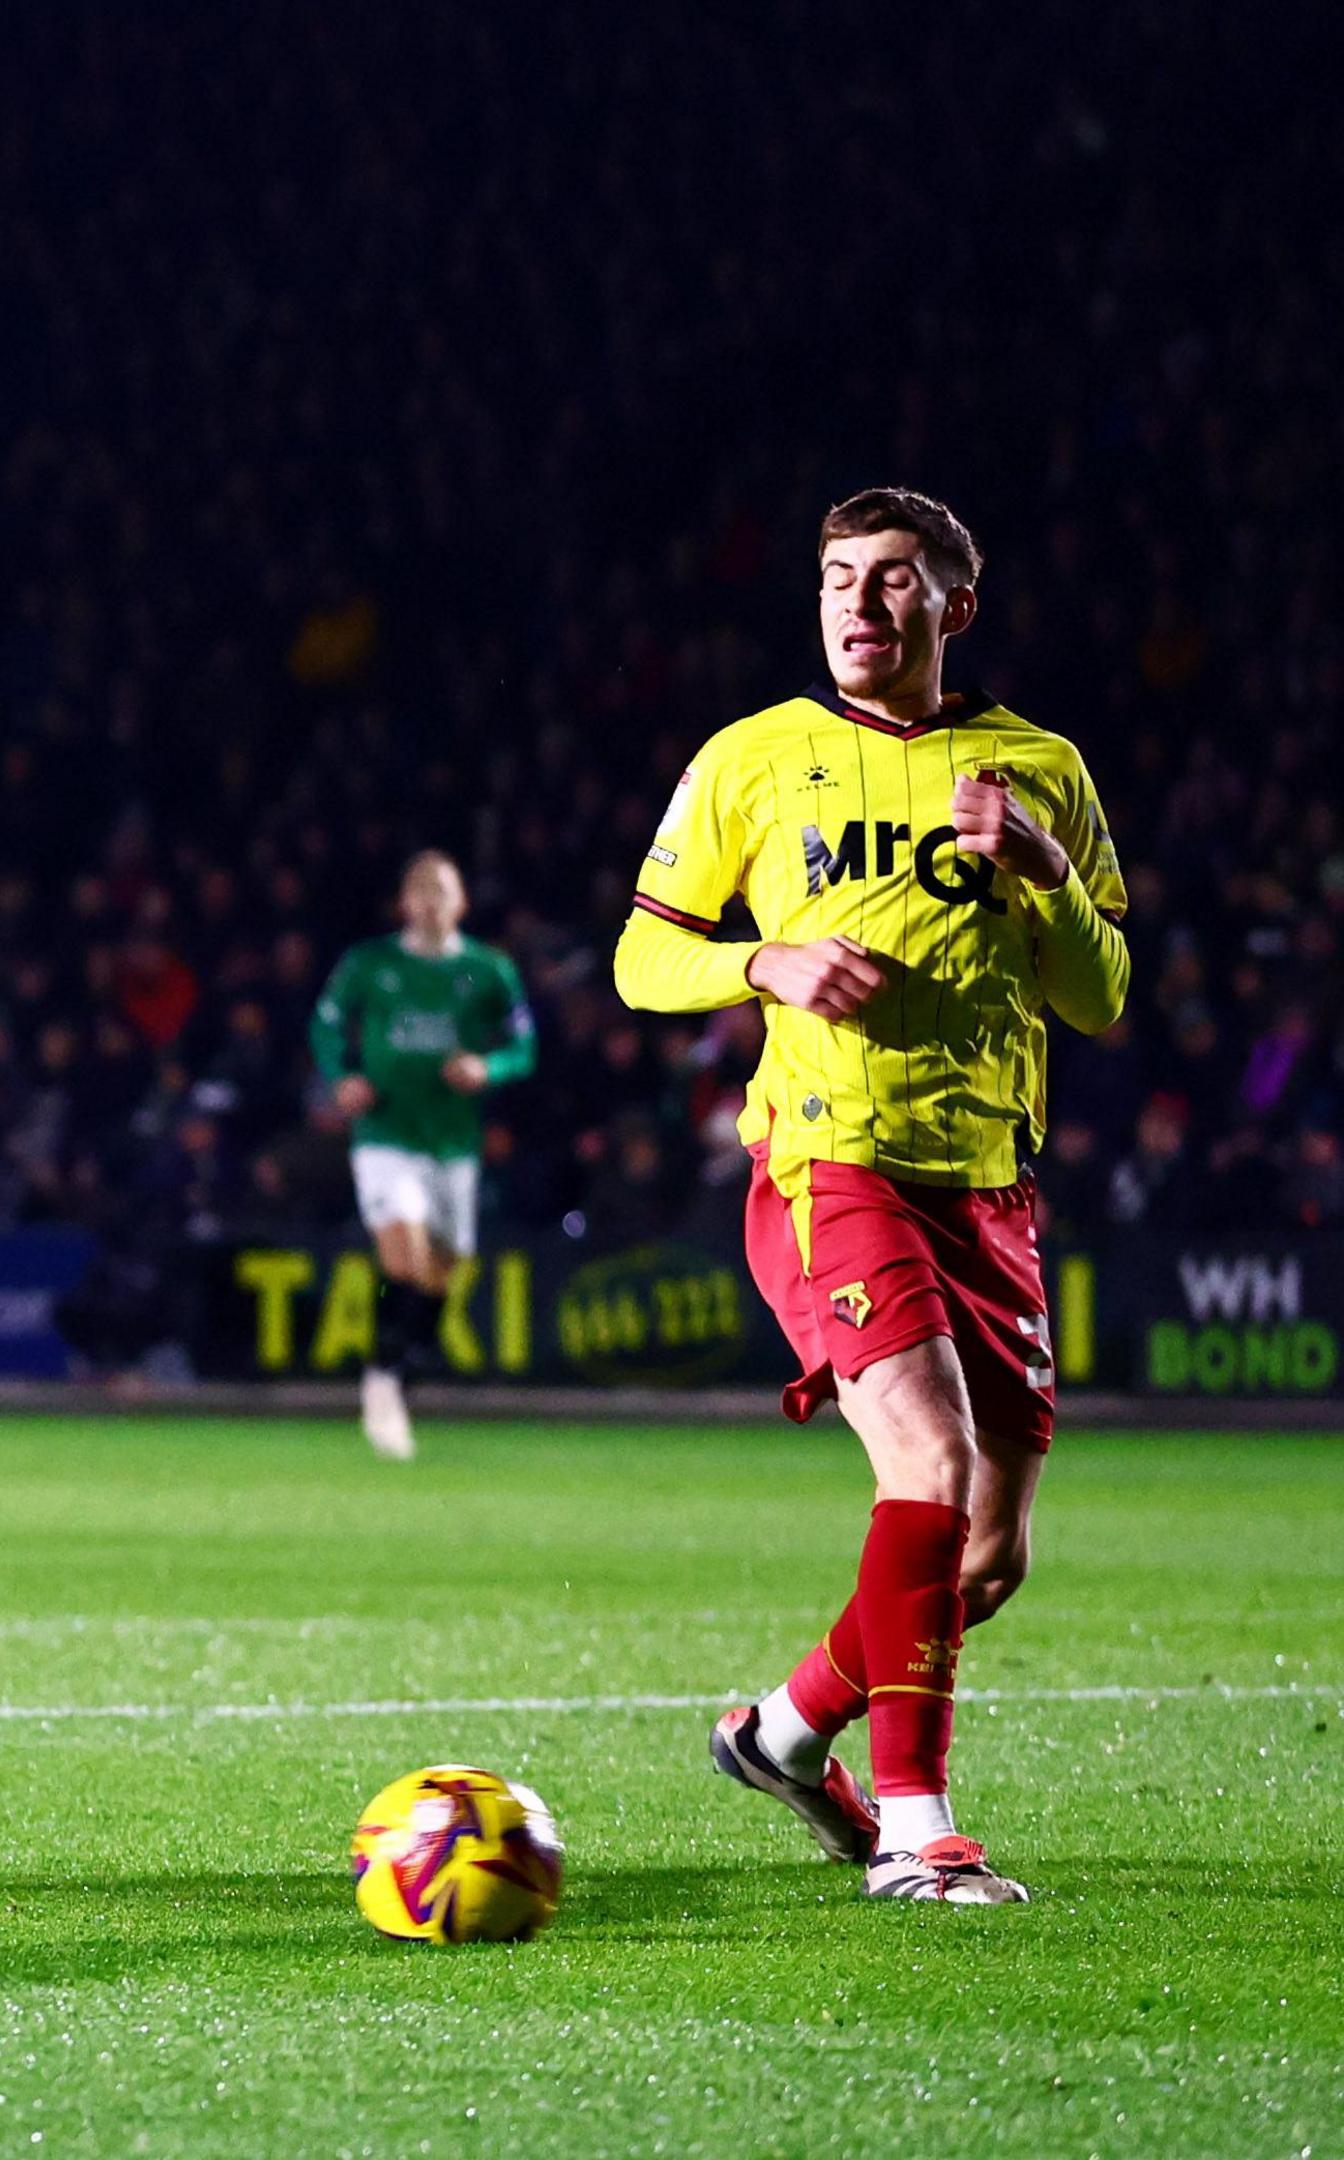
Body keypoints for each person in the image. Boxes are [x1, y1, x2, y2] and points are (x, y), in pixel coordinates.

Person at [616, 487, 1128, 1905]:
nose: (858, 603)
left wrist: (1038, 871)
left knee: (983, 1556)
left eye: (893, 580)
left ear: (953, 606)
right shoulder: (756, 758)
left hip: (989, 1189)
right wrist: (758, 963)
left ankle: (783, 1735)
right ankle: (915, 1826)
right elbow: (640, 959)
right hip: (828, 1162)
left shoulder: (1042, 771)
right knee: (931, 1470)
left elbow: (1102, 995)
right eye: (840, 577)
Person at [307, 850, 533, 1459]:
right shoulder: (369, 964)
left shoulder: (489, 970)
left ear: (461, 902)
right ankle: (381, 1382)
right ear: (405, 903)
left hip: (453, 1141)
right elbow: (325, 1024)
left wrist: (489, 1066)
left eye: (443, 892)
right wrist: (342, 1076)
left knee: (443, 1269)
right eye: (421, 892)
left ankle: (404, 1369)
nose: (432, 902)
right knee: (404, 1254)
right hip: (386, 1134)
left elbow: (525, 1045)